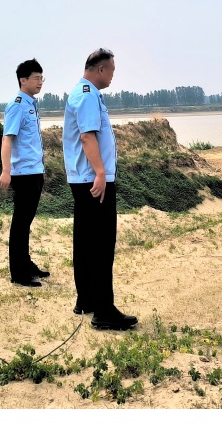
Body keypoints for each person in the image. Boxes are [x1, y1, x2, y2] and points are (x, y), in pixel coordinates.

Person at [63, 48, 137, 331]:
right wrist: (101, 173)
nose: (113, 75)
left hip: (84, 178)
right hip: (92, 179)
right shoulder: (87, 95)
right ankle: (104, 310)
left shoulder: (83, 93)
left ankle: (86, 300)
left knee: (85, 241)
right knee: (101, 244)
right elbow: (87, 137)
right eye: (112, 70)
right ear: (101, 69)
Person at [0, 59, 50, 287]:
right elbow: (7, 139)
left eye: (41, 78)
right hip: (23, 174)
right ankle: (18, 273)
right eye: (36, 78)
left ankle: (26, 264)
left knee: (26, 222)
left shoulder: (31, 104)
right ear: (23, 80)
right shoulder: (17, 105)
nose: (40, 82)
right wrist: (6, 171)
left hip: (35, 171)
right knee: (20, 223)